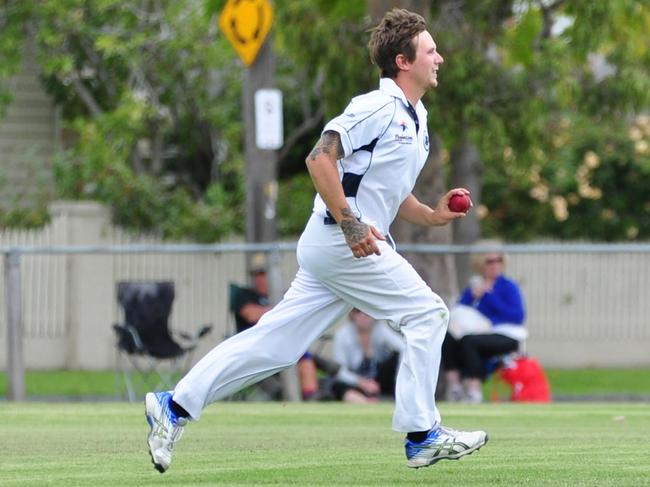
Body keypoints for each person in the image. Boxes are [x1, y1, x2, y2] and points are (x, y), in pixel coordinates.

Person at [144, 8, 488, 473]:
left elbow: (384, 187)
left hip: (337, 244)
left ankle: (174, 405)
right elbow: (319, 159)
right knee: (428, 312)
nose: (440, 58)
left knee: (277, 346)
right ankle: (421, 434)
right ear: (404, 62)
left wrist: (429, 214)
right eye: (431, 51)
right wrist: (350, 224)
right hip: (344, 241)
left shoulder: (416, 117)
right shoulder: (378, 106)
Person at [442, 250, 527, 403]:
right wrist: (473, 295)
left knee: (469, 341)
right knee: (448, 338)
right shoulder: (475, 286)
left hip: (506, 334)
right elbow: (460, 310)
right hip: (478, 332)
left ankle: (474, 389)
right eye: (490, 261)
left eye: (498, 260)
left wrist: (489, 296)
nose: (495, 265)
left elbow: (517, 316)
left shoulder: (508, 286)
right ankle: (455, 386)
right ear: (481, 264)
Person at [231, 255, 319, 400]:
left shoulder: (284, 295)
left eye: (264, 273)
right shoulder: (244, 294)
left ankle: (312, 398)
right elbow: (251, 314)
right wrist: (280, 312)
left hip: (283, 344)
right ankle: (281, 394)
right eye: (257, 274)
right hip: (254, 347)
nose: (261, 278)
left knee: (306, 356)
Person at [331, 309, 405, 403]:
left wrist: (400, 378)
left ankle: (399, 394)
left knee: (397, 356)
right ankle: (365, 401)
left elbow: (403, 347)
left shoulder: (380, 329)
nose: (363, 316)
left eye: (368, 313)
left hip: (378, 381)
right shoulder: (342, 335)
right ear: (352, 314)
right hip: (354, 381)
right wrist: (360, 382)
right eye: (358, 312)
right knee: (339, 386)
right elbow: (340, 371)